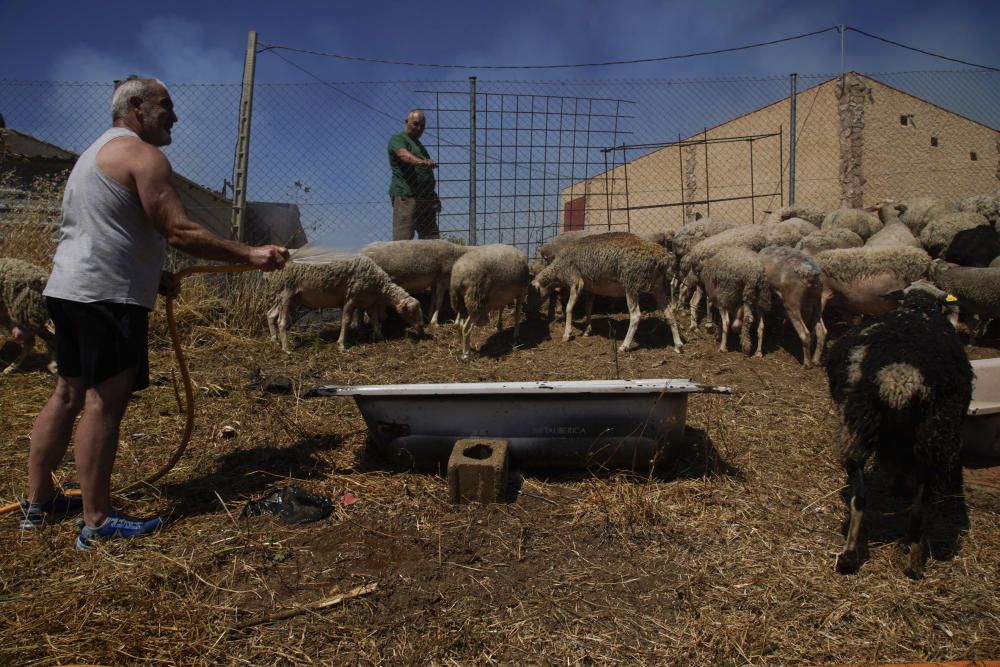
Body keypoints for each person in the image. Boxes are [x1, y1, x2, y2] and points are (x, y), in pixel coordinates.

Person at [18, 75, 290, 550]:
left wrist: (155, 275)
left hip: (69, 288)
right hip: (107, 297)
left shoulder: (93, 154)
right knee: (105, 400)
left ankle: (39, 503)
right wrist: (250, 254)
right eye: (166, 106)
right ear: (137, 107)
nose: (175, 116)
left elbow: (105, 228)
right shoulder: (144, 156)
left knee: (67, 393)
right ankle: (97, 522)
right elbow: (180, 231)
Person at [387, 109, 441, 240]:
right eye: (416, 124)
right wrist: (421, 162)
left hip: (425, 197)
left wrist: (433, 196)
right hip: (407, 195)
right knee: (403, 240)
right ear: (407, 122)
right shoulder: (398, 138)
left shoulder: (419, 146)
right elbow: (403, 154)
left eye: (422, 126)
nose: (419, 128)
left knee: (431, 239)